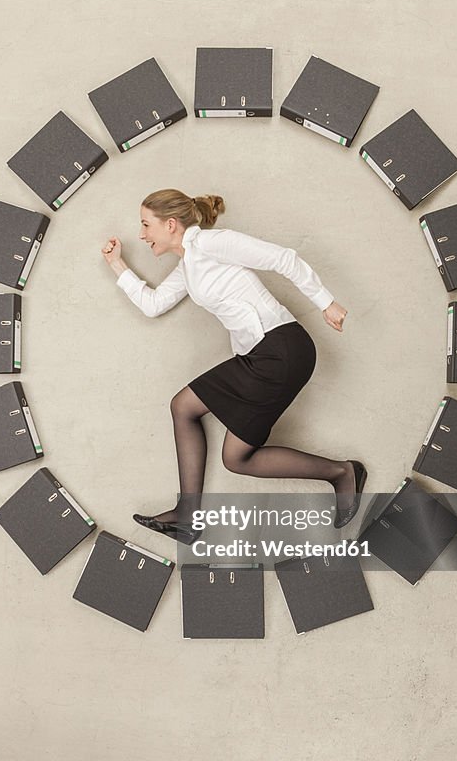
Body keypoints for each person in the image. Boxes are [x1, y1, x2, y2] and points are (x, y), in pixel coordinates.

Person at [101, 188, 366, 544]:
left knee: (183, 406)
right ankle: (341, 472)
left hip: (280, 349)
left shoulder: (212, 244)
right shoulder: (189, 266)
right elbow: (154, 304)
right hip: (261, 356)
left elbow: (282, 258)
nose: (142, 234)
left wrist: (326, 302)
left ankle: (188, 514)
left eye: (146, 225)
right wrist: (117, 265)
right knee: (237, 459)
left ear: (170, 224)